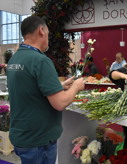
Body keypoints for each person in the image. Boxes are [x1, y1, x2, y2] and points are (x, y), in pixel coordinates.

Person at [6, 15, 85, 164]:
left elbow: (28, 89)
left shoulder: (15, 59)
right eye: (48, 33)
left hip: (22, 135)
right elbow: (60, 103)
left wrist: (58, 87)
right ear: (41, 30)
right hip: (38, 140)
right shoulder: (40, 60)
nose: (48, 37)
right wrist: (76, 86)